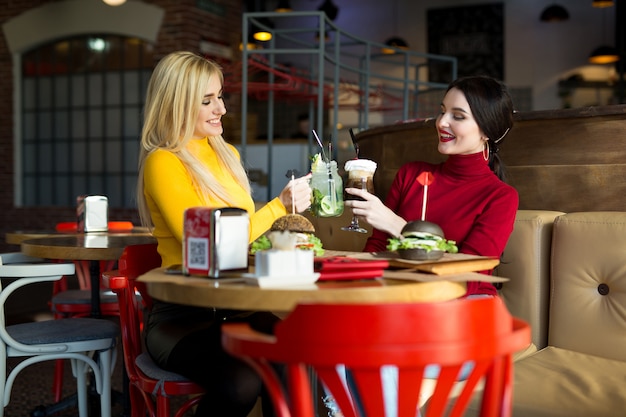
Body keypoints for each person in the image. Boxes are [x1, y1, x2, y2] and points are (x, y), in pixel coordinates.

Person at [136, 51, 312, 417]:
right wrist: (279, 206)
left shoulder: (227, 154)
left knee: (296, 358)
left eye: (220, 96)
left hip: (238, 306)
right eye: (207, 100)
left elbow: (246, 239)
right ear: (177, 104)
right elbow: (212, 243)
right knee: (241, 382)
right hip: (181, 319)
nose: (222, 109)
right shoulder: (163, 161)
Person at [345, 75, 519, 297]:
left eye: (457, 116)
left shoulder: (500, 197)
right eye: (442, 111)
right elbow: (377, 247)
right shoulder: (411, 174)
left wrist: (402, 229)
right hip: (397, 295)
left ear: (486, 131)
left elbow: (469, 275)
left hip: (461, 304)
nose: (442, 122)